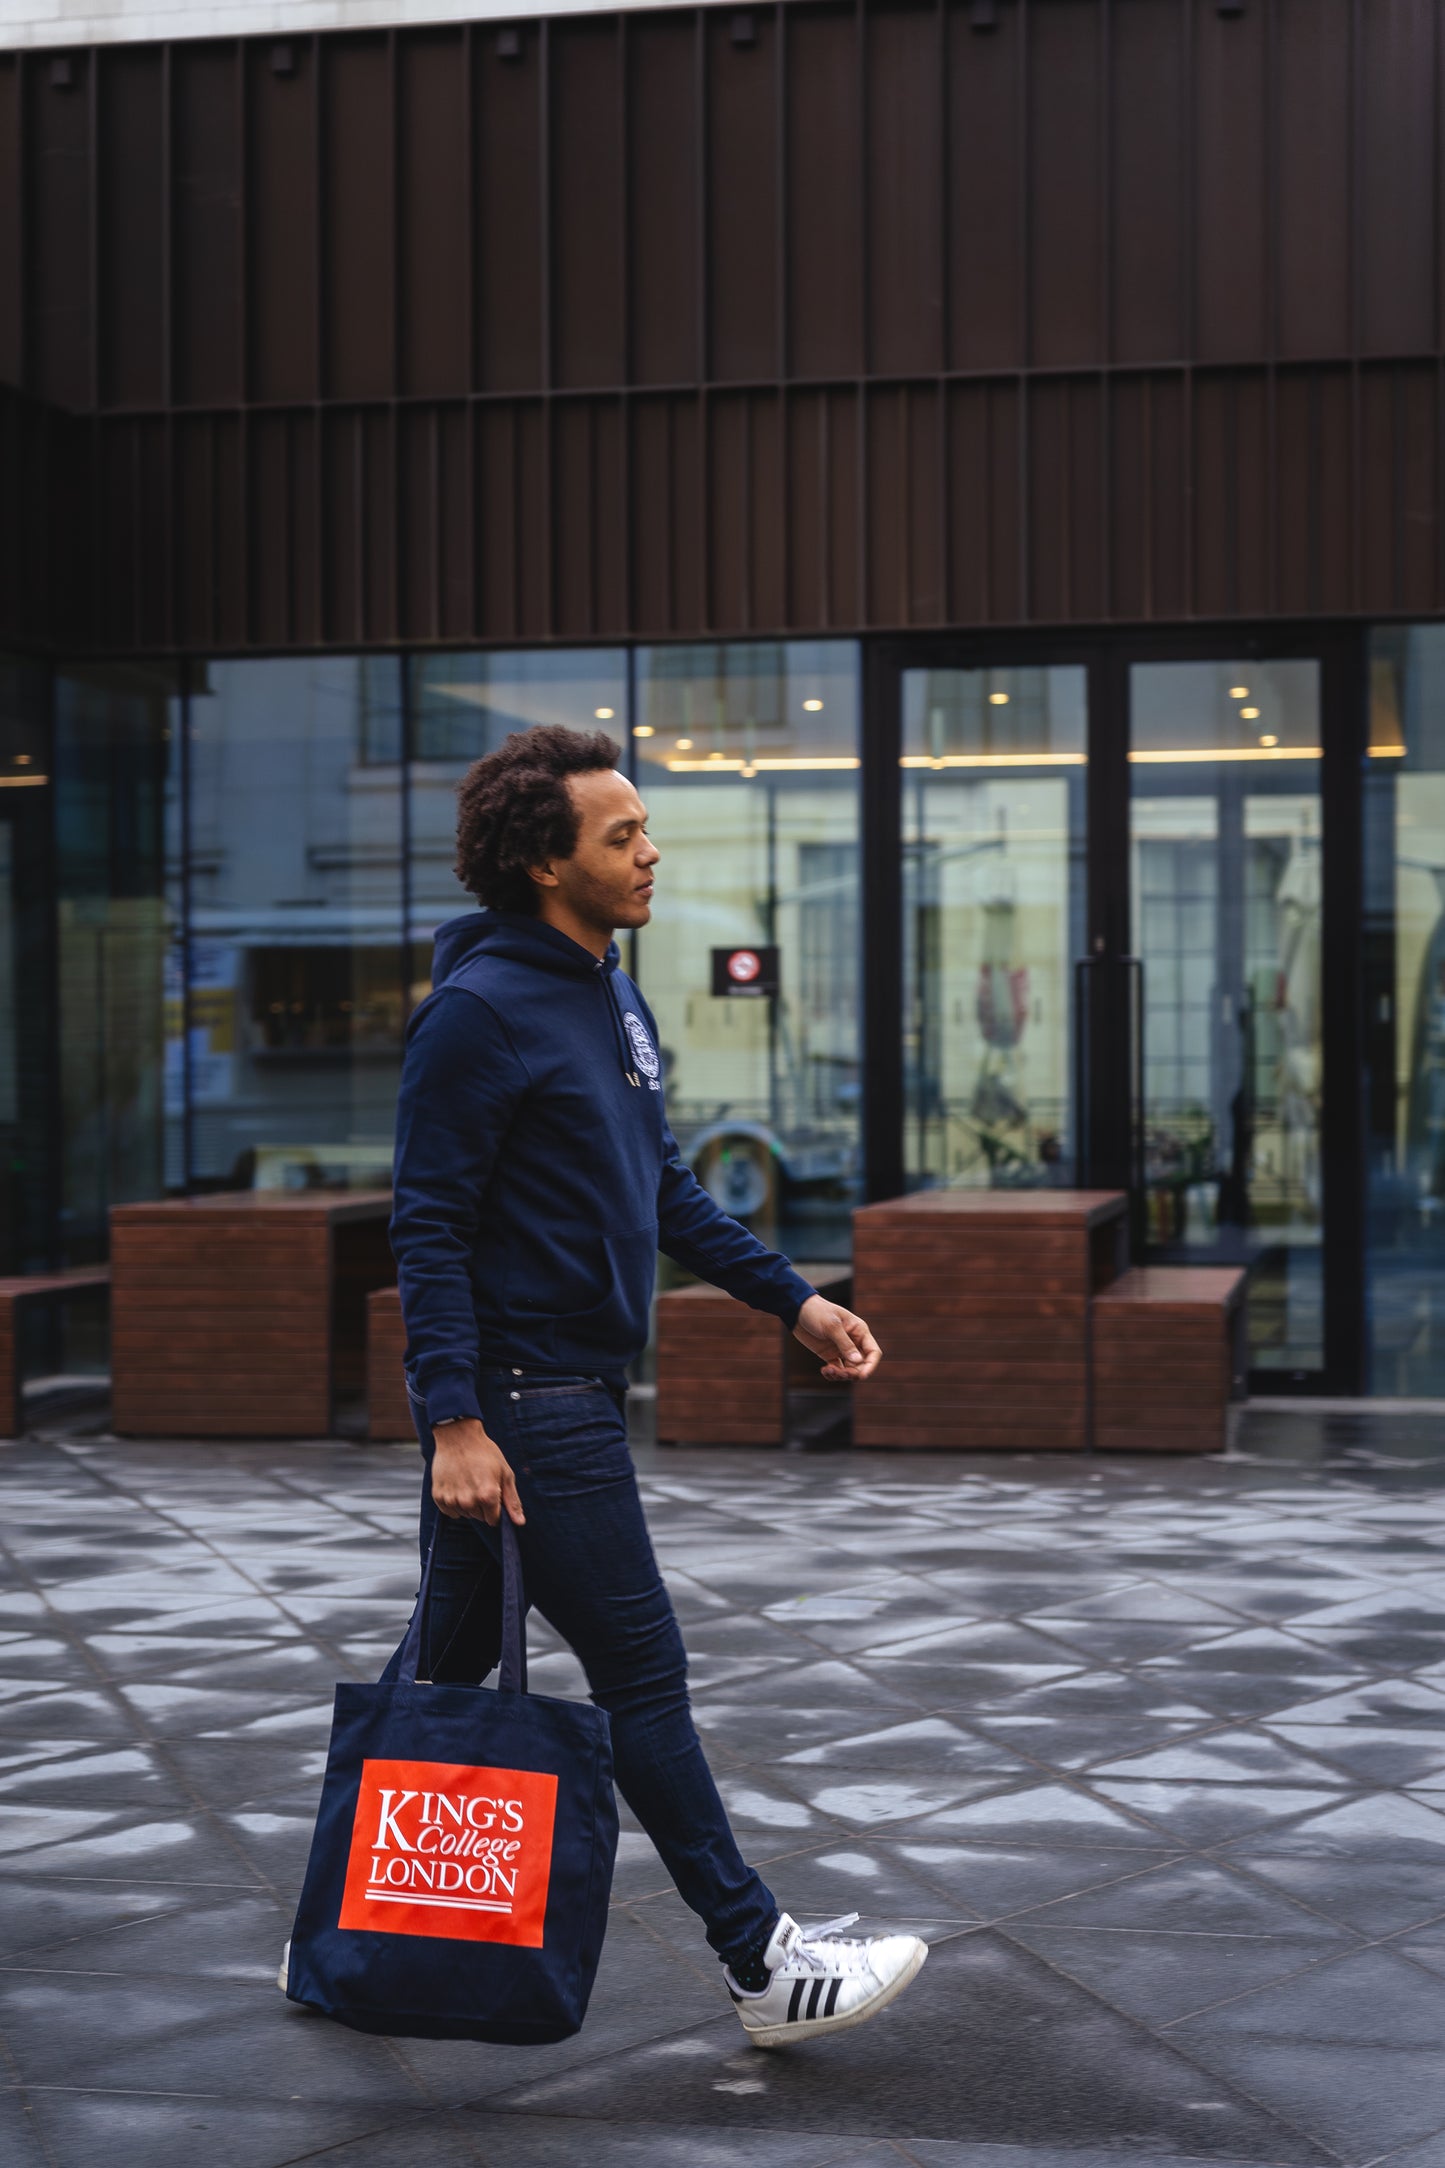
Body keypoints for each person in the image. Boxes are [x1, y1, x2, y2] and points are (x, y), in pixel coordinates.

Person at [369, 725, 925, 2046]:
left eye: (643, 829)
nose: (650, 852)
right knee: (644, 1680)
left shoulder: (609, 995)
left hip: (564, 1389)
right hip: (526, 1404)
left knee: (434, 1684)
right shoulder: (476, 1016)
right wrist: (453, 1419)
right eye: (621, 835)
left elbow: (662, 1187)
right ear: (542, 860)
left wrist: (793, 1300)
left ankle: (337, 1936)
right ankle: (761, 1962)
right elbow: (427, 1228)